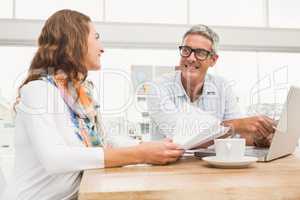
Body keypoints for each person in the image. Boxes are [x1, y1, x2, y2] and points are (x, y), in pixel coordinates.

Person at [1, 9, 184, 200]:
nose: (102, 48)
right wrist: (140, 154)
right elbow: (55, 158)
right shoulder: (38, 91)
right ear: (74, 40)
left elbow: (105, 140)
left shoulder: (81, 94)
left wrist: (153, 147)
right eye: (96, 37)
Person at [147, 24, 275, 147]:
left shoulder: (222, 86)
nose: (191, 58)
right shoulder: (158, 87)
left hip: (212, 166)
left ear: (213, 60)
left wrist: (258, 141)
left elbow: (236, 136)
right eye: (186, 50)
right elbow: (181, 136)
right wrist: (237, 125)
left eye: (200, 53)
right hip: (169, 167)